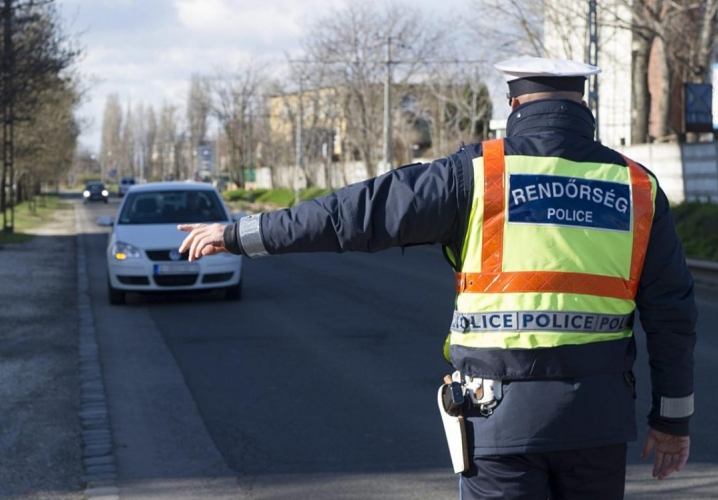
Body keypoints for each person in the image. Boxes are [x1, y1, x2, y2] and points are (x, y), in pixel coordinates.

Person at [177, 56, 697, 499]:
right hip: (598, 426)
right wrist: (671, 423)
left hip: (499, 422)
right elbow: (673, 314)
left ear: (513, 105)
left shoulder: (475, 175)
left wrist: (241, 234)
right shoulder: (637, 186)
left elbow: (351, 215)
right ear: (583, 106)